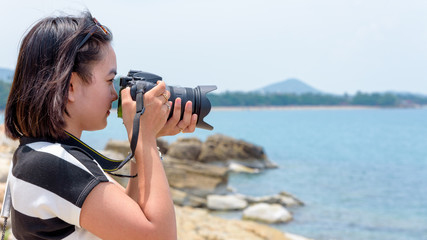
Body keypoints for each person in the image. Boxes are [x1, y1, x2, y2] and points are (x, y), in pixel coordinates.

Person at [4, 11, 197, 239]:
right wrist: (144, 138)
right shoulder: (53, 166)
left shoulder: (37, 153)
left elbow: (129, 216)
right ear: (71, 87)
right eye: (109, 81)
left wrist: (144, 138)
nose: (116, 95)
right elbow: (161, 236)